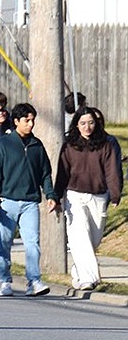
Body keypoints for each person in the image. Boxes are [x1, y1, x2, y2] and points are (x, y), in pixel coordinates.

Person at [0, 103, 58, 297]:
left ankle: (34, 281)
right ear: (16, 121)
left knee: (32, 242)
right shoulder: (4, 144)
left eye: (33, 120)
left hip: (30, 202)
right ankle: (5, 281)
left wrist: (50, 194)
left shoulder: (37, 145)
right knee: (4, 243)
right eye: (27, 120)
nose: (31, 124)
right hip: (6, 203)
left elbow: (45, 174)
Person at [54, 106, 120, 290]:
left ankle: (78, 270)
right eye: (83, 123)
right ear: (76, 125)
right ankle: (89, 278)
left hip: (98, 196)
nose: (87, 127)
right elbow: (62, 173)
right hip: (74, 195)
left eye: (91, 123)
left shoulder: (105, 144)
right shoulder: (69, 146)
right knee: (79, 234)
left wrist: (115, 194)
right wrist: (56, 196)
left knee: (93, 239)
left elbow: (112, 171)